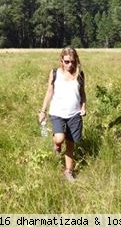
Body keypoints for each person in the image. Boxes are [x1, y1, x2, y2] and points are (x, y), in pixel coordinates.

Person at [38, 46, 86, 182]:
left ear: (76, 60)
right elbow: (49, 92)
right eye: (66, 61)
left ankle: (68, 171)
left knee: (71, 144)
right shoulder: (54, 73)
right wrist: (43, 111)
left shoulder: (80, 74)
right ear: (61, 60)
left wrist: (83, 106)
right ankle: (57, 145)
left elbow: (82, 94)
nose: (70, 65)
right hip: (57, 112)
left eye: (72, 61)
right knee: (59, 138)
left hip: (74, 114)